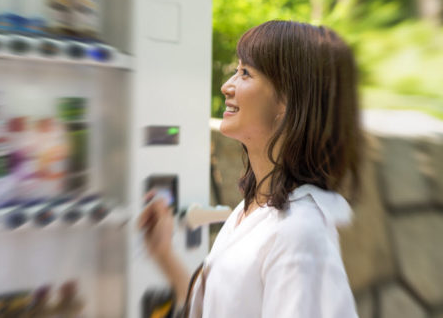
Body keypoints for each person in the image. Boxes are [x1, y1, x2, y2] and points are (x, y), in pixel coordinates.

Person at [138, 20, 361, 318]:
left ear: (287, 100)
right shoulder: (253, 211)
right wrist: (163, 253)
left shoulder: (300, 235)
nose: (226, 86)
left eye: (245, 73)